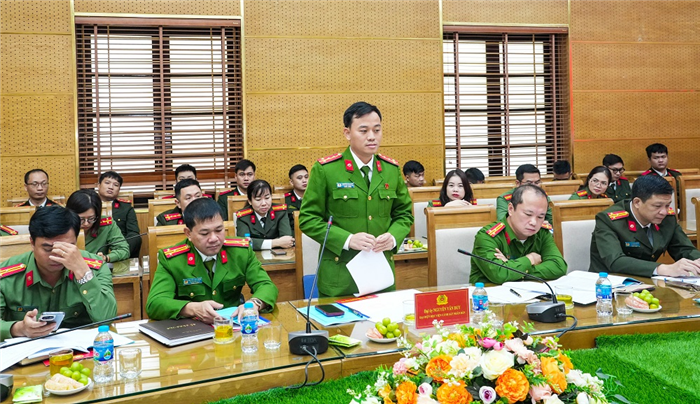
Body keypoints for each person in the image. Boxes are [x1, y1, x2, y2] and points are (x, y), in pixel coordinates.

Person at [299, 101, 414, 297]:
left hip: (381, 276)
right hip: (340, 278)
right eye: (364, 130)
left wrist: (393, 237)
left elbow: (404, 214)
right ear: (347, 133)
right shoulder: (326, 170)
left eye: (377, 130)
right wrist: (348, 239)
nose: (372, 136)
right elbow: (308, 219)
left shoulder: (391, 170)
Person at [146, 197, 278, 323]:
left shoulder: (240, 252)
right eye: (204, 233)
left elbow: (267, 286)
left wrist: (254, 303)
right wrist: (192, 309)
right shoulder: (172, 260)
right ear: (188, 233)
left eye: (219, 230)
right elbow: (155, 303)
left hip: (233, 326)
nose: (214, 238)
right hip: (192, 329)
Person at [0, 206, 117, 341]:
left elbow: (107, 318)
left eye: (66, 248)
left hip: (80, 349)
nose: (57, 256)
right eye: (48, 249)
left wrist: (83, 273)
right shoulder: (6, 275)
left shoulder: (94, 268)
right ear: (32, 243)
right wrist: (18, 329)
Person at [589, 175, 700, 277]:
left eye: (667, 205)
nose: (664, 212)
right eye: (657, 206)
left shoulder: (667, 218)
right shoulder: (609, 220)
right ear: (637, 202)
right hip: (608, 283)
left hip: (646, 282)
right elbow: (615, 261)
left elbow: (683, 248)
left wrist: (697, 262)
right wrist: (663, 268)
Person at [470, 185, 567, 284]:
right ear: (511, 209)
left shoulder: (542, 233)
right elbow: (499, 274)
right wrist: (530, 259)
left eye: (540, 217)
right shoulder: (487, 236)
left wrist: (512, 268)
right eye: (528, 214)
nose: (534, 222)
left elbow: (559, 267)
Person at [66, 189, 130, 264]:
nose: (86, 223)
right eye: (81, 219)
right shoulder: (61, 225)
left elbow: (123, 250)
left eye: (91, 218)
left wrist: (106, 258)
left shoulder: (106, 224)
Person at [236, 180, 294, 251]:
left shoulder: (280, 212)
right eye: (258, 199)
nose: (264, 203)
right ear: (250, 201)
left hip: (278, 254)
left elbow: (287, 240)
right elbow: (244, 242)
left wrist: (257, 242)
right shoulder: (243, 217)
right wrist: (275, 243)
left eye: (267, 198)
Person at [96, 171, 141, 258]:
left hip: (119, 248)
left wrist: (121, 252)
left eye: (115, 185)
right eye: (107, 183)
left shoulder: (126, 208)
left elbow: (133, 233)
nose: (111, 187)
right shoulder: (89, 205)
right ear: (98, 185)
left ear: (119, 190)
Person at [641, 143, 682, 212]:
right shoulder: (646, 178)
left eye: (663, 157)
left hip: (679, 210)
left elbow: (682, 195)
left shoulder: (676, 175)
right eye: (656, 158)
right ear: (649, 160)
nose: (660, 160)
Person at [285, 164, 308, 230]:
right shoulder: (285, 200)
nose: (304, 180)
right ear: (291, 182)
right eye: (299, 178)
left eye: (306, 177)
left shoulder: (316, 197)